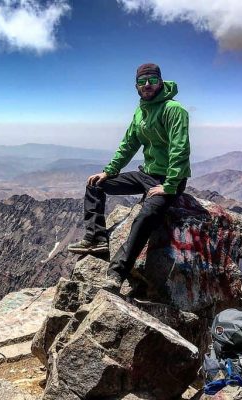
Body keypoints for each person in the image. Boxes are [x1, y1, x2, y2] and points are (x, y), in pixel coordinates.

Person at [67, 63, 191, 293]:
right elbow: (129, 143)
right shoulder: (141, 111)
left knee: (147, 215)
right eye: (142, 81)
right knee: (95, 185)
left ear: (161, 82)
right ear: (136, 86)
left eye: (152, 80)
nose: (147, 85)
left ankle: (117, 273)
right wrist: (109, 171)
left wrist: (170, 185)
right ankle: (97, 239)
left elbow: (180, 149)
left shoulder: (174, 110)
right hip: (146, 174)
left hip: (168, 179)